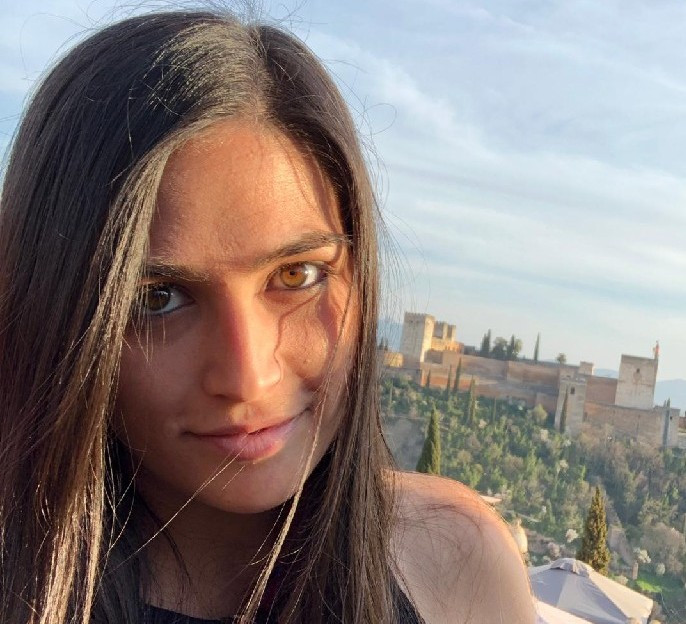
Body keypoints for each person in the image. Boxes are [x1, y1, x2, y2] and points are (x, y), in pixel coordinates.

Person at [0, 9, 535, 624]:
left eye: (297, 275)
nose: (248, 378)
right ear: (54, 310)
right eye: (156, 297)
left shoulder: (454, 562)